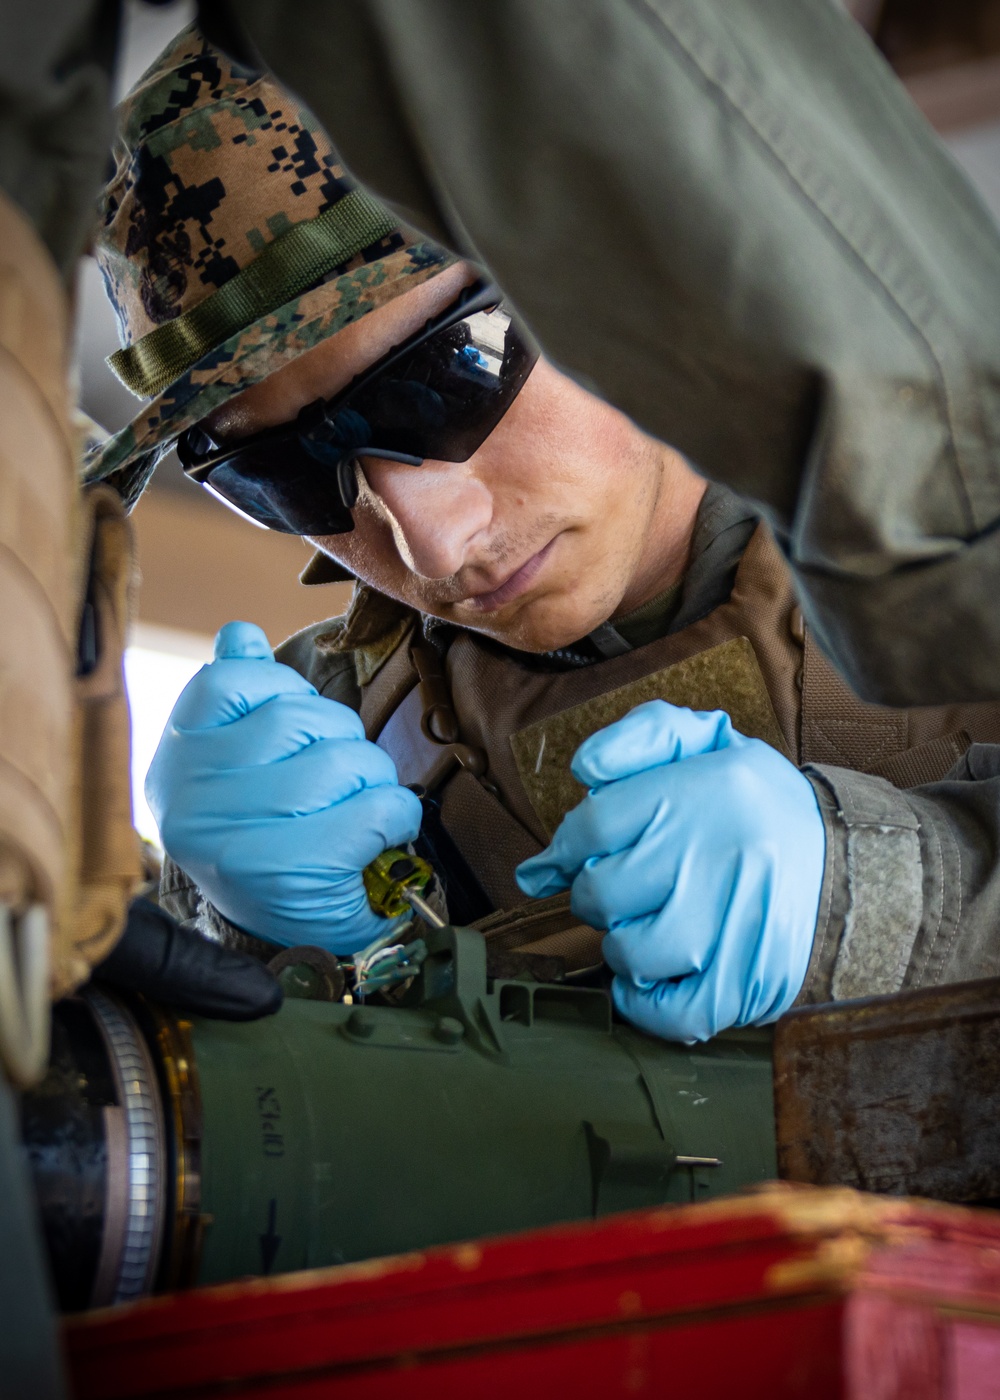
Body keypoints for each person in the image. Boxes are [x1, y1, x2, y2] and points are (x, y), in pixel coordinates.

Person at [89, 32, 1000, 1044]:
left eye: (445, 382)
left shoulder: (966, 518)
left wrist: (874, 895)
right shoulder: (337, 732)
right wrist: (226, 924)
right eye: (284, 471)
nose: (432, 544)